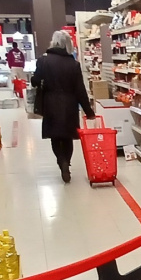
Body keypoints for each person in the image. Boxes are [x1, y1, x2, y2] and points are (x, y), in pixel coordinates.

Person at [31, 30, 95, 183]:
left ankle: (62, 162)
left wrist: (38, 80)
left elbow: (35, 80)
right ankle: (67, 161)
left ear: (53, 43)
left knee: (55, 136)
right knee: (67, 138)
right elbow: (80, 90)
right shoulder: (74, 64)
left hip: (50, 102)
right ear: (69, 44)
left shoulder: (43, 61)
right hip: (69, 104)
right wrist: (88, 111)